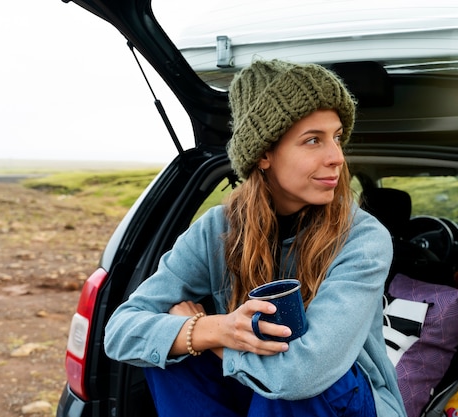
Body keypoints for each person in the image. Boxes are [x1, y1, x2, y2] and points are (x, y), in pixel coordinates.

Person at [104, 59, 406, 417]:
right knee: (168, 355)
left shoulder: (363, 238)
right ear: (263, 153)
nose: (337, 157)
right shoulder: (216, 229)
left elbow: (300, 374)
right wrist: (209, 330)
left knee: (295, 382)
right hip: (254, 394)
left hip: (339, 402)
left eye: (337, 137)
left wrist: (214, 336)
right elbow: (120, 331)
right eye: (313, 140)